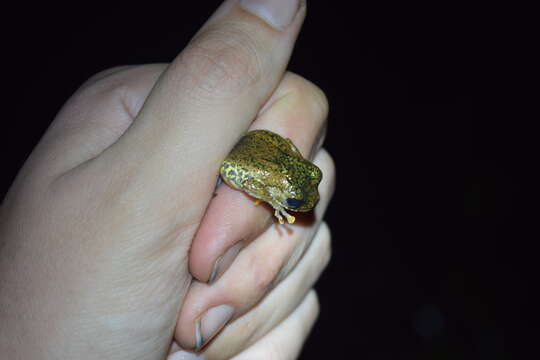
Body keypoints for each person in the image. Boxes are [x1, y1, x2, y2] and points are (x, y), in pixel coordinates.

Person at [0, 0, 335, 358]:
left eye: (306, 181)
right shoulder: (264, 176)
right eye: (298, 200)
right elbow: (231, 169)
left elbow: (270, 154)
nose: (305, 199)